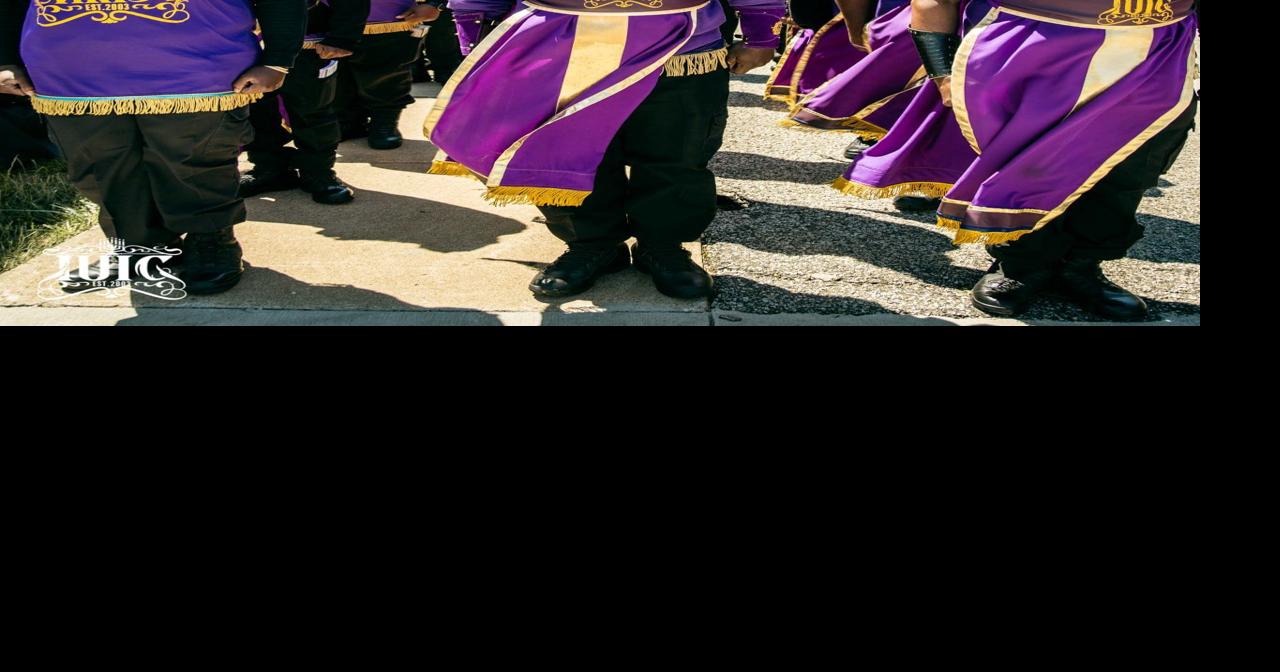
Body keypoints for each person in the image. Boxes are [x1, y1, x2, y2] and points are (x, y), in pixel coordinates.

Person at [836, 0, 1198, 319]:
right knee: (1027, 168)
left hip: (1160, 54)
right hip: (1031, 58)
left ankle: (1081, 266)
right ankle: (1022, 266)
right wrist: (944, 75)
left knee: (1131, 168)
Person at [427, 0, 786, 300]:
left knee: (678, 153)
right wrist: (472, 27)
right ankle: (592, 245)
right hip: (556, 42)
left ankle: (661, 246)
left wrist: (761, 29)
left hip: (684, 44)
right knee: (564, 153)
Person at [0, 0, 307, 295]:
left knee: (195, 162)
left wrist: (277, 59)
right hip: (71, 74)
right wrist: (5, 58)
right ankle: (139, 246)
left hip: (195, 65)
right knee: (99, 164)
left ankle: (211, 242)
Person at [242, 0, 371, 205]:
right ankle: (269, 168)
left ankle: (318, 172)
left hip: (310, 41)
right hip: (246, 43)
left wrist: (343, 36)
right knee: (256, 111)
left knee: (314, 112)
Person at [335, 0, 443, 148]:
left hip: (389, 14)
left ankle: (384, 122)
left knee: (387, 74)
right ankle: (346, 121)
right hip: (330, 15)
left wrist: (435, 3)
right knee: (337, 76)